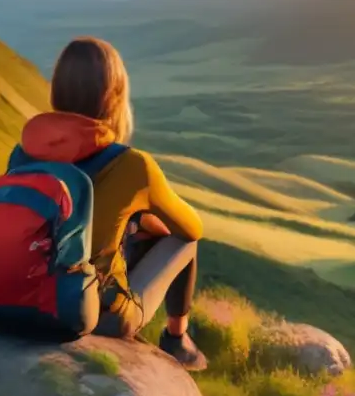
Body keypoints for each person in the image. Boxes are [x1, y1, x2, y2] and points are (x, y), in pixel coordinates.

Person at [12, 36, 208, 371]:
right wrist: (145, 216)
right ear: (114, 97)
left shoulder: (23, 153)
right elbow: (192, 228)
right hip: (93, 314)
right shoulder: (133, 167)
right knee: (184, 243)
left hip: (27, 295)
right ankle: (177, 340)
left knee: (132, 233)